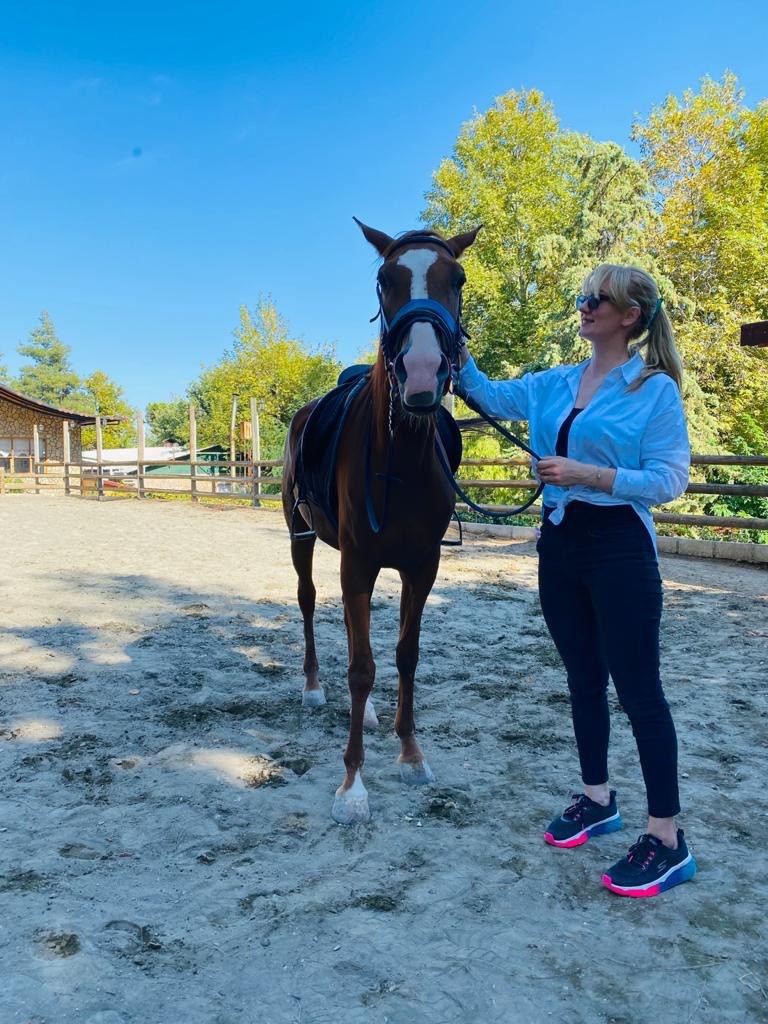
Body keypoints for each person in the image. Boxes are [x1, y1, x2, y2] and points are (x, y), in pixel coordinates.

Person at [457, 263, 697, 898]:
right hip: (560, 546)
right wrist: (454, 347)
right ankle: (597, 799)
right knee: (583, 679)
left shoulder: (653, 391)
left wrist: (588, 475)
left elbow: (669, 479)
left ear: (630, 317)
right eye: (583, 297)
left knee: (640, 691)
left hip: (619, 548)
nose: (584, 306)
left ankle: (668, 839)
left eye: (598, 299)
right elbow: (486, 394)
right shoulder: (554, 383)